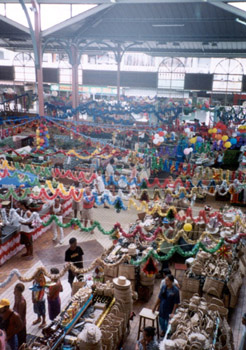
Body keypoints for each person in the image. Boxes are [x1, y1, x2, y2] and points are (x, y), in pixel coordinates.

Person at [13, 284, 26, 349]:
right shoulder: (16, 297)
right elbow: (14, 307)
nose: (14, 292)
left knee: (21, 341)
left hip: (20, 324)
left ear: (19, 292)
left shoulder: (22, 302)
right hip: (16, 321)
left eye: (15, 291)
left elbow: (19, 316)